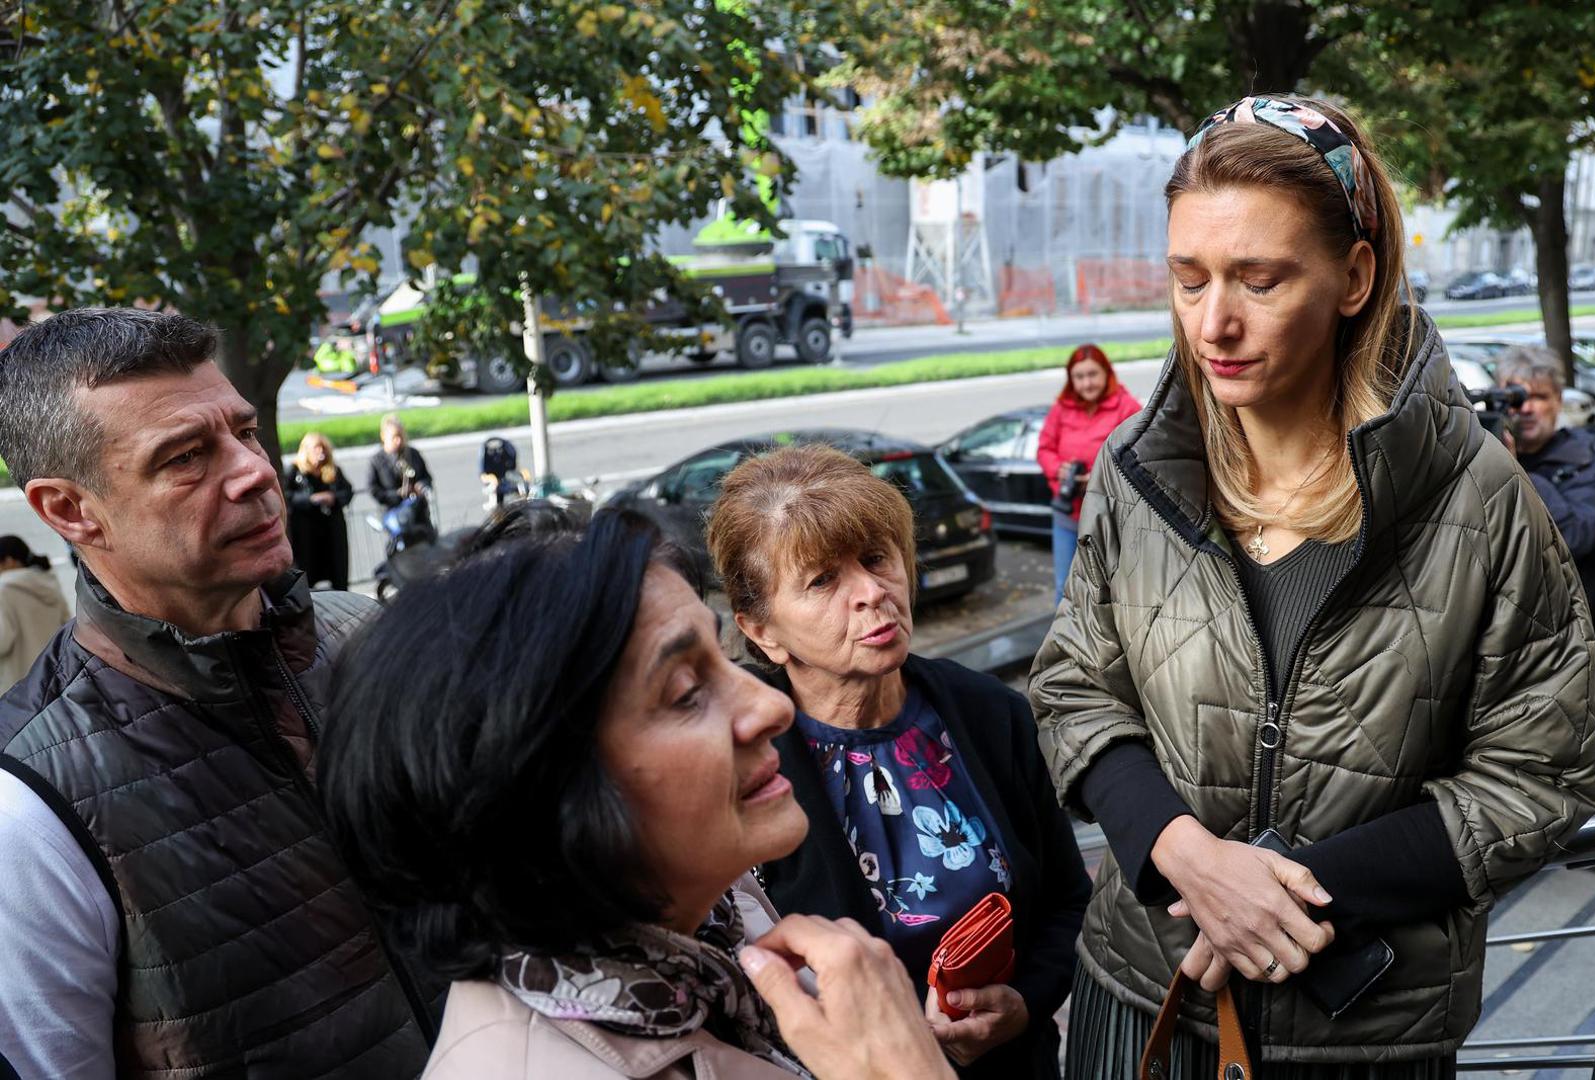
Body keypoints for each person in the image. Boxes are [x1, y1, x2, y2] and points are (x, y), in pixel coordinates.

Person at [1030, 95, 1595, 1077]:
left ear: (1354, 275)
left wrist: (1285, 893)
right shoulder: (1136, 470)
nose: (1215, 322)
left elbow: (1536, 779)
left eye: (1259, 279)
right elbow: (1074, 686)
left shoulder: (1483, 503)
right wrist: (1184, 855)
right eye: (1188, 278)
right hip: (1143, 1002)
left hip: (1364, 1035)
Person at [318, 504, 957, 1080]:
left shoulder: (708, 920)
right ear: (540, 799)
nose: (769, 706)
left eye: (722, 659)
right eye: (685, 693)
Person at [0, 308, 440, 1078]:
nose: (254, 472)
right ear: (68, 510)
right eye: (186, 457)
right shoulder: (27, 811)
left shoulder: (368, 638)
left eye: (245, 432)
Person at [706, 445, 1091, 1078]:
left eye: (877, 558)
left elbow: (1067, 902)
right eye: (823, 580)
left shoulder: (990, 713)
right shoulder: (739, 757)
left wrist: (1022, 1003)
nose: (871, 593)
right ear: (762, 631)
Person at [1495, 344, 1595, 600]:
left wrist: (1514, 470)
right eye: (1516, 398)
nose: (1526, 408)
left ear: (1559, 401)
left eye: (1539, 397)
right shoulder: (1489, 455)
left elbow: (1576, 537)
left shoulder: (1587, 456)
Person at [1037, 344, 1143, 600]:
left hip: (1110, 518)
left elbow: (1141, 455)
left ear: (1107, 373)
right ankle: (1066, 640)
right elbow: (1044, 449)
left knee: (1112, 590)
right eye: (1079, 377)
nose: (1086, 384)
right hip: (1068, 515)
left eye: (1092, 374)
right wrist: (1058, 469)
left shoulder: (1126, 407)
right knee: (1066, 588)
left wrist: (1100, 473)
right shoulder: (1062, 408)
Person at [285, 430, 355, 590]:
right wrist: (310, 499)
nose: (321, 453)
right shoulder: (295, 471)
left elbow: (347, 491)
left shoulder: (333, 470)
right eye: (317, 449)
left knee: (337, 570)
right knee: (307, 571)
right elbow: (287, 496)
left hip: (331, 530)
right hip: (306, 532)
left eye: (323, 448)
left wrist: (333, 498)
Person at [0, 536, 70, 691]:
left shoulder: (4, 590)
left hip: (21, 684)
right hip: (56, 675)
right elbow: (67, 623)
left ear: (9, 561)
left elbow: (2, 641)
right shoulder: (48, 582)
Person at [368, 414, 435, 548]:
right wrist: (397, 494)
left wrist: (421, 486)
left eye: (401, 436)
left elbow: (427, 477)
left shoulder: (413, 454)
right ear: (383, 437)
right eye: (394, 437)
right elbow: (373, 489)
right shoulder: (376, 460)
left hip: (419, 515)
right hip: (394, 516)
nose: (398, 441)